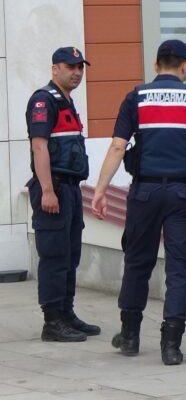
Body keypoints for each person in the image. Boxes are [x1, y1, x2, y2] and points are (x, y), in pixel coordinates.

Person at [91, 39, 186, 366]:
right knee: (179, 269)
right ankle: (171, 345)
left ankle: (130, 336)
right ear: (185, 66)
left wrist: (100, 190)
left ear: (155, 65)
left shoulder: (136, 97)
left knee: (137, 261)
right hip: (184, 194)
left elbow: (118, 147)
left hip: (145, 193)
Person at [26, 47, 100, 342]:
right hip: (53, 188)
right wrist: (47, 190)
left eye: (80, 67)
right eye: (70, 67)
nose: (77, 72)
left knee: (70, 255)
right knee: (55, 256)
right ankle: (52, 321)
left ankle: (67, 314)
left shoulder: (66, 101)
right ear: (55, 69)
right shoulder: (43, 100)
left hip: (69, 188)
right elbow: (39, 146)